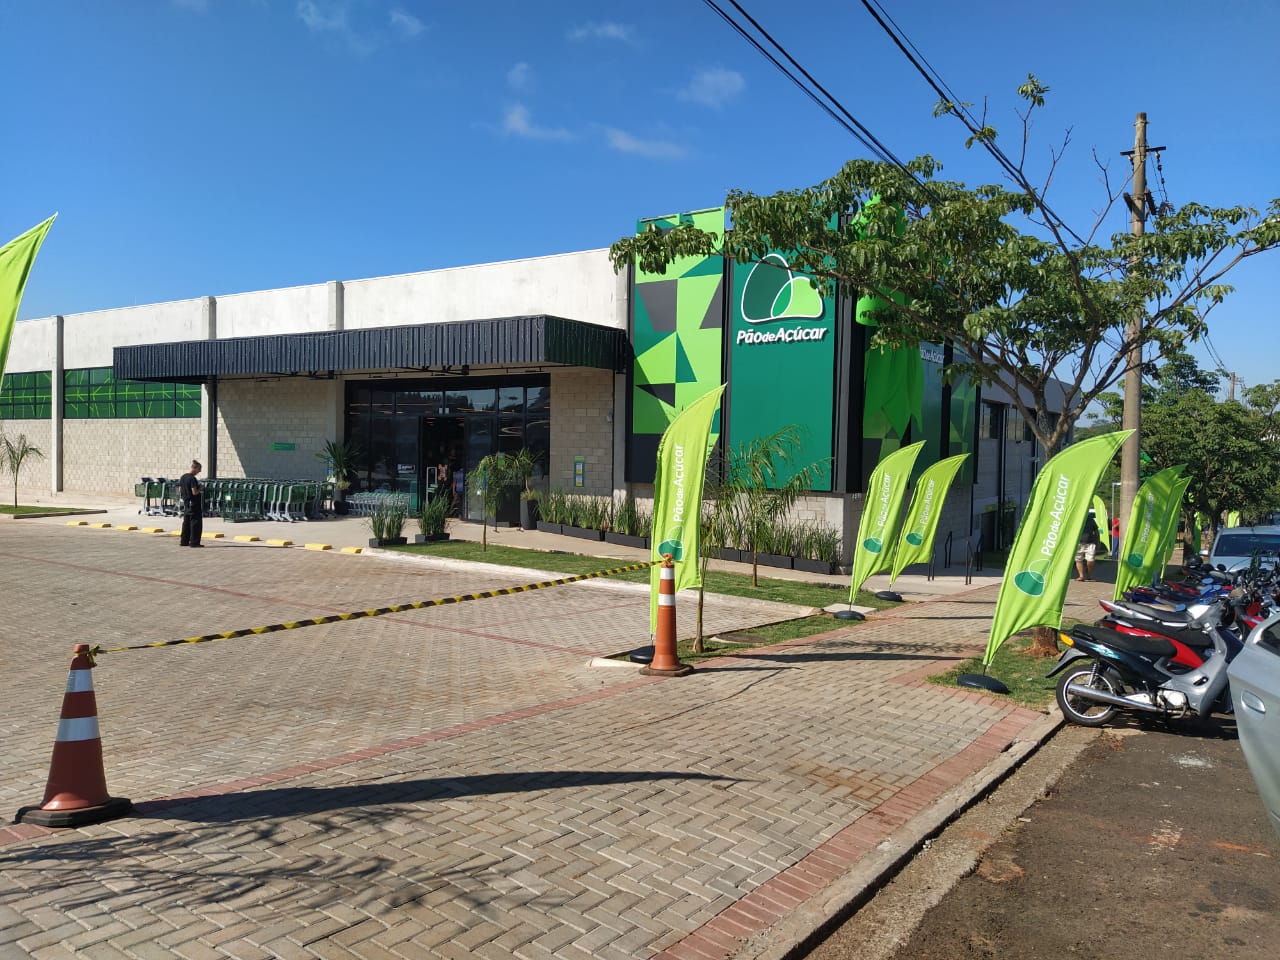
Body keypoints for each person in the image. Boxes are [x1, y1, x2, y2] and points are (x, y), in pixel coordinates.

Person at [179, 459, 204, 547]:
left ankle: (184, 541)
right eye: (199, 469)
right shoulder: (192, 479)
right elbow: (194, 492)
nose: (199, 471)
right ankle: (194, 542)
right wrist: (200, 488)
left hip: (186, 502)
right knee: (195, 523)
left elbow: (180, 490)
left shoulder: (183, 477)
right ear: (195, 468)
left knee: (186, 522)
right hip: (193, 503)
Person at [1074, 509, 1100, 581]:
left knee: (1090, 560)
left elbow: (1096, 531)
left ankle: (1089, 575)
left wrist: (1098, 542)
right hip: (1078, 543)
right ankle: (1081, 576)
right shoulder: (1075, 519)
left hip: (1090, 543)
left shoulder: (1090, 520)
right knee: (1078, 559)